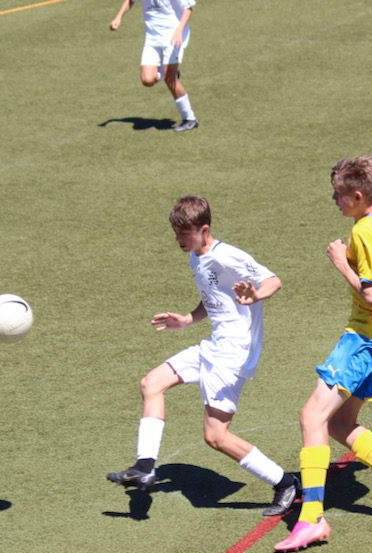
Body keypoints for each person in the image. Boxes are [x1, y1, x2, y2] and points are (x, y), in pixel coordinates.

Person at [274, 156, 372, 553]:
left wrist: (341, 263)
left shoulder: (362, 233)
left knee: (312, 417)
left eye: (339, 195)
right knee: (340, 424)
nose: (334, 200)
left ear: (359, 196)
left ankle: (312, 518)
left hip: (365, 337)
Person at [107, 196, 299, 517]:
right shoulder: (197, 258)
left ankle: (286, 483)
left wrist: (255, 295)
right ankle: (144, 468)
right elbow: (214, 299)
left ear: (204, 230)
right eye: (176, 233)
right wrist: (187, 319)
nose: (179, 240)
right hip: (213, 346)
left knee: (216, 437)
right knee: (151, 383)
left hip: (233, 355)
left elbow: (273, 281)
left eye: (185, 233)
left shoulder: (227, 256)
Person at [109, 0, 199, 132]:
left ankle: (190, 119)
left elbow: (188, 9)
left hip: (172, 36)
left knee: (170, 80)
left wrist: (179, 30)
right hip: (151, 38)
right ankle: (164, 71)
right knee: (147, 80)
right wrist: (118, 17)